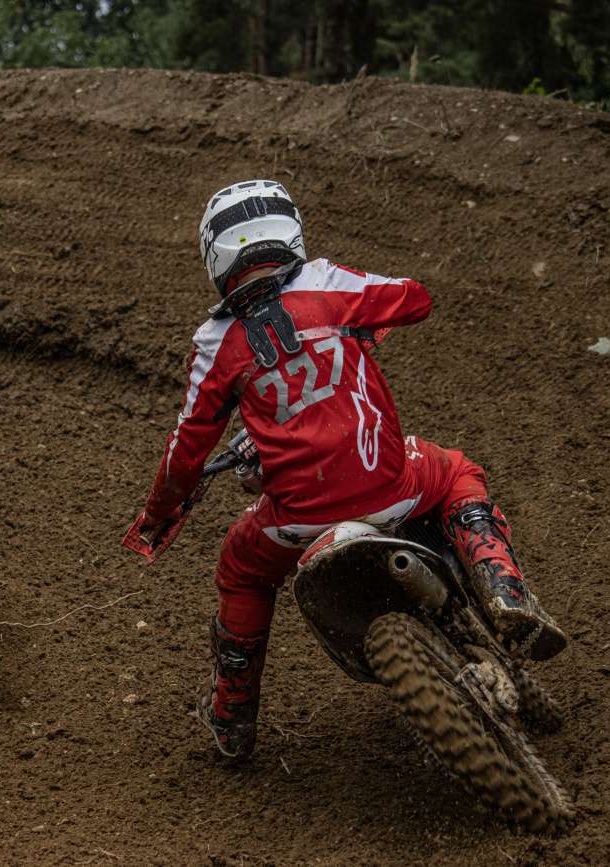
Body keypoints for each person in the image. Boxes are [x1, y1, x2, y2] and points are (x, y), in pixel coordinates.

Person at [124, 180, 567, 760]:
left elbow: (185, 453)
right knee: (458, 470)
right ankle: (503, 586)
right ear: (288, 232)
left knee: (240, 569)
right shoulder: (326, 282)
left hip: (297, 523)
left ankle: (232, 716)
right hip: (393, 485)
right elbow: (415, 299)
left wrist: (157, 516)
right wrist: (357, 323)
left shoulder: (213, 343)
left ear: (216, 257)